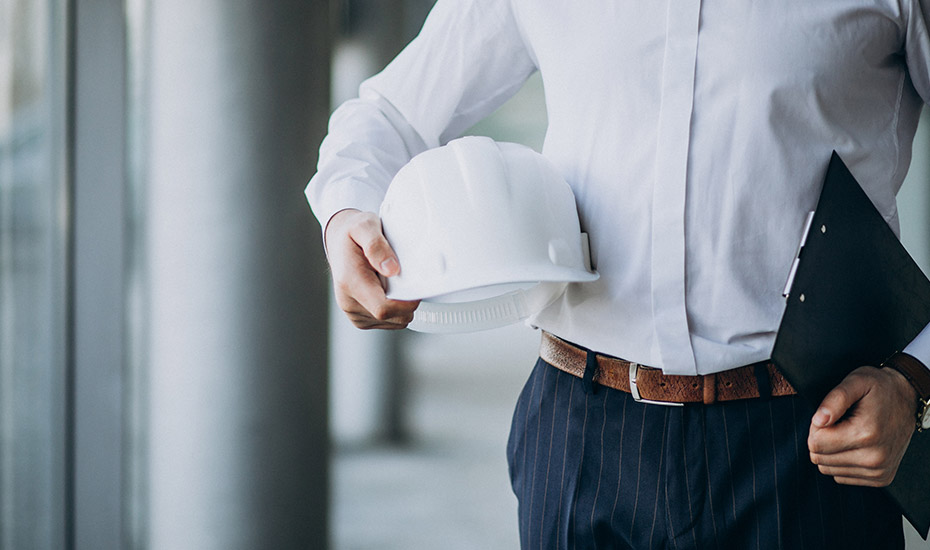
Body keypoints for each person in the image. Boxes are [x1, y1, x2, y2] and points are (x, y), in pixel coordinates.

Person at [307, 0, 930, 547]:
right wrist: (345, 218)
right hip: (578, 434)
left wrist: (913, 379)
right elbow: (390, 113)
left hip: (811, 441)